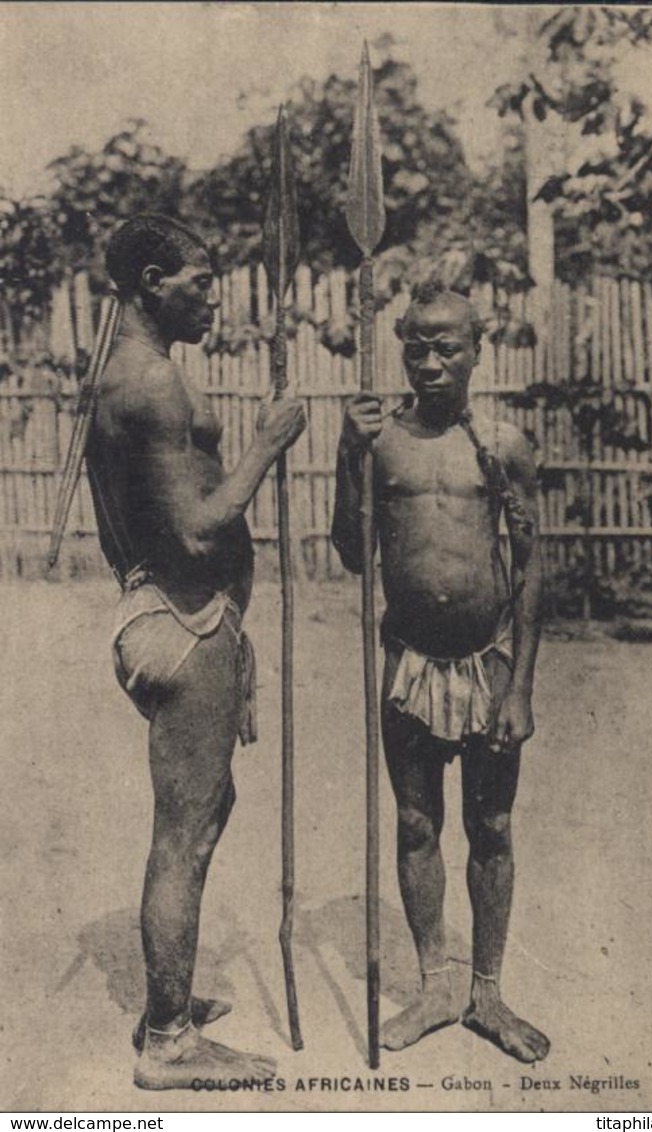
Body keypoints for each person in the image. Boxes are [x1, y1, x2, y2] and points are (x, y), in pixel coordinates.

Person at [85, 213, 306, 1089]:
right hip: (184, 622)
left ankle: (167, 1000)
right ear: (150, 281)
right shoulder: (154, 386)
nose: (214, 296)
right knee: (182, 834)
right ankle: (169, 1043)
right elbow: (196, 526)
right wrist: (268, 444)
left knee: (204, 817)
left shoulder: (123, 376)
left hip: (163, 613)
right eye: (199, 281)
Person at [332, 281, 550, 1063]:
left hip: (488, 661)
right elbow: (352, 551)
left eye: (445, 346)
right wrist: (346, 454)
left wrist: (519, 685)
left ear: (476, 349)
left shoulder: (503, 445)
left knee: (488, 825)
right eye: (414, 346)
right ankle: (433, 985)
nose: (428, 362)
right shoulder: (379, 441)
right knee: (417, 823)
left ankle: (486, 994)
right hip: (408, 665)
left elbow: (528, 566)